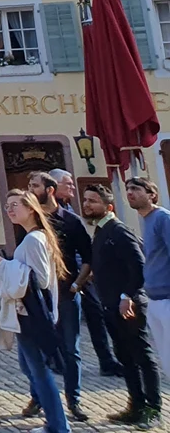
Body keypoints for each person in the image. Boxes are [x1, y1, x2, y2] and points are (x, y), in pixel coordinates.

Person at [0, 189, 70, 433]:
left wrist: (4, 265)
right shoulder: (33, 237)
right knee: (30, 367)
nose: (10, 210)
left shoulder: (34, 240)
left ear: (31, 208)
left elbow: (40, 280)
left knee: (39, 371)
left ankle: (57, 425)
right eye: (7, 206)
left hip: (32, 313)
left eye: (15, 205)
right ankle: (54, 422)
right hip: (28, 312)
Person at [82, 182, 161, 426]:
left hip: (129, 305)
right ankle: (135, 405)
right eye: (85, 200)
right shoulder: (101, 231)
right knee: (125, 357)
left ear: (109, 206)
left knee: (142, 356)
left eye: (93, 201)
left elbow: (139, 265)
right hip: (110, 305)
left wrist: (127, 295)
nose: (87, 205)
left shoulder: (118, 230)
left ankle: (153, 410)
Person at [30, 171, 93, 423]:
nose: (31, 190)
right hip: (40, 295)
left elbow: (88, 257)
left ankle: (73, 400)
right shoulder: (31, 220)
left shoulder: (71, 221)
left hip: (66, 292)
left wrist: (77, 285)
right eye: (30, 185)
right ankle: (38, 397)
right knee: (39, 349)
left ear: (50, 190)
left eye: (35, 186)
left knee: (70, 349)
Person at [52, 169, 126, 379]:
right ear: (54, 187)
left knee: (97, 316)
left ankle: (107, 361)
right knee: (63, 320)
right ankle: (60, 361)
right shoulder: (49, 213)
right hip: (65, 275)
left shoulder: (69, 210)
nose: (72, 187)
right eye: (67, 183)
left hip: (83, 272)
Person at [126, 176, 170, 377]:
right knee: (167, 361)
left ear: (152, 195)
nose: (130, 192)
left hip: (167, 299)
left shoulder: (163, 218)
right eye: (128, 189)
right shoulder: (146, 220)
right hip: (154, 299)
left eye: (136, 189)